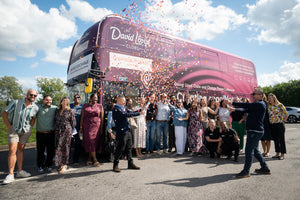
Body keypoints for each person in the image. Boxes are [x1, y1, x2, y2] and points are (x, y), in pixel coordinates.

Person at [1, 89, 39, 184]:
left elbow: (34, 117)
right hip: (14, 130)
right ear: (27, 95)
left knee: (21, 150)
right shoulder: (16, 103)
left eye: (35, 96)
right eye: (31, 95)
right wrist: (9, 127)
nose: (33, 97)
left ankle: (20, 171)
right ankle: (10, 174)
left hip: (25, 131)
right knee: (12, 150)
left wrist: (30, 127)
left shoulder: (35, 107)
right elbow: (4, 113)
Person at [232, 89, 271, 178]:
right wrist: (234, 109)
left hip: (255, 131)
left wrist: (233, 103)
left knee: (249, 151)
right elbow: (245, 110)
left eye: (254, 94)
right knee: (256, 151)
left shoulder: (260, 104)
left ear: (261, 95)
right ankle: (265, 168)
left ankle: (246, 171)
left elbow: (246, 105)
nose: (252, 95)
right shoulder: (256, 105)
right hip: (254, 131)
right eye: (252, 94)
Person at [112, 94, 144, 172]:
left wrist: (139, 110)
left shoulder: (123, 108)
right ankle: (115, 165)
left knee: (129, 147)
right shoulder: (116, 109)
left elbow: (130, 111)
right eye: (123, 101)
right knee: (120, 148)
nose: (124, 102)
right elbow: (126, 115)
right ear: (118, 100)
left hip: (127, 130)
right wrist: (138, 114)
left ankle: (130, 163)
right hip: (121, 131)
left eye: (125, 101)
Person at [79, 94, 104, 167]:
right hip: (87, 126)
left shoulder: (100, 106)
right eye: (94, 98)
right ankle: (95, 160)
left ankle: (89, 158)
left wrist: (101, 128)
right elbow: (82, 117)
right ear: (91, 98)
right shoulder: (85, 106)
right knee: (90, 141)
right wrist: (80, 127)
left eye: (96, 98)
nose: (95, 99)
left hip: (96, 126)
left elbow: (102, 118)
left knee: (94, 142)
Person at [54, 97, 76, 174]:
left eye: (66, 101)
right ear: (61, 102)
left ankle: (65, 164)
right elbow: (55, 120)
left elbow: (73, 123)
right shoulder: (57, 111)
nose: (64, 103)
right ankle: (60, 164)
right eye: (63, 101)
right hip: (58, 132)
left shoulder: (70, 111)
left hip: (66, 131)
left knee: (66, 148)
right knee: (58, 148)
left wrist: (68, 130)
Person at [36, 95, 57, 173]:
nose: (49, 101)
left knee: (50, 151)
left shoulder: (55, 108)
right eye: (47, 100)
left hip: (51, 133)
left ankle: (49, 165)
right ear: (43, 100)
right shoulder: (37, 108)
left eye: (50, 100)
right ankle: (40, 166)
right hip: (40, 134)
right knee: (40, 151)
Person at [268, 93, 288, 160]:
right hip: (272, 125)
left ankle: (282, 154)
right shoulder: (269, 106)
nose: (269, 99)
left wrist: (284, 121)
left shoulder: (279, 105)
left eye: (270, 98)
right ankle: (277, 153)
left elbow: (286, 113)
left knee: (281, 139)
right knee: (275, 139)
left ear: (274, 98)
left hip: (279, 124)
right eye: (268, 98)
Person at [70, 94, 83, 166]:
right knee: (69, 144)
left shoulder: (82, 106)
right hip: (70, 128)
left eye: (78, 97)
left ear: (80, 98)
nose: (77, 98)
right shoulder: (70, 106)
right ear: (73, 98)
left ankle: (76, 160)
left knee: (77, 144)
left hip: (78, 129)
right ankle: (67, 160)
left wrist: (81, 128)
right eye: (75, 97)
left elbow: (83, 117)